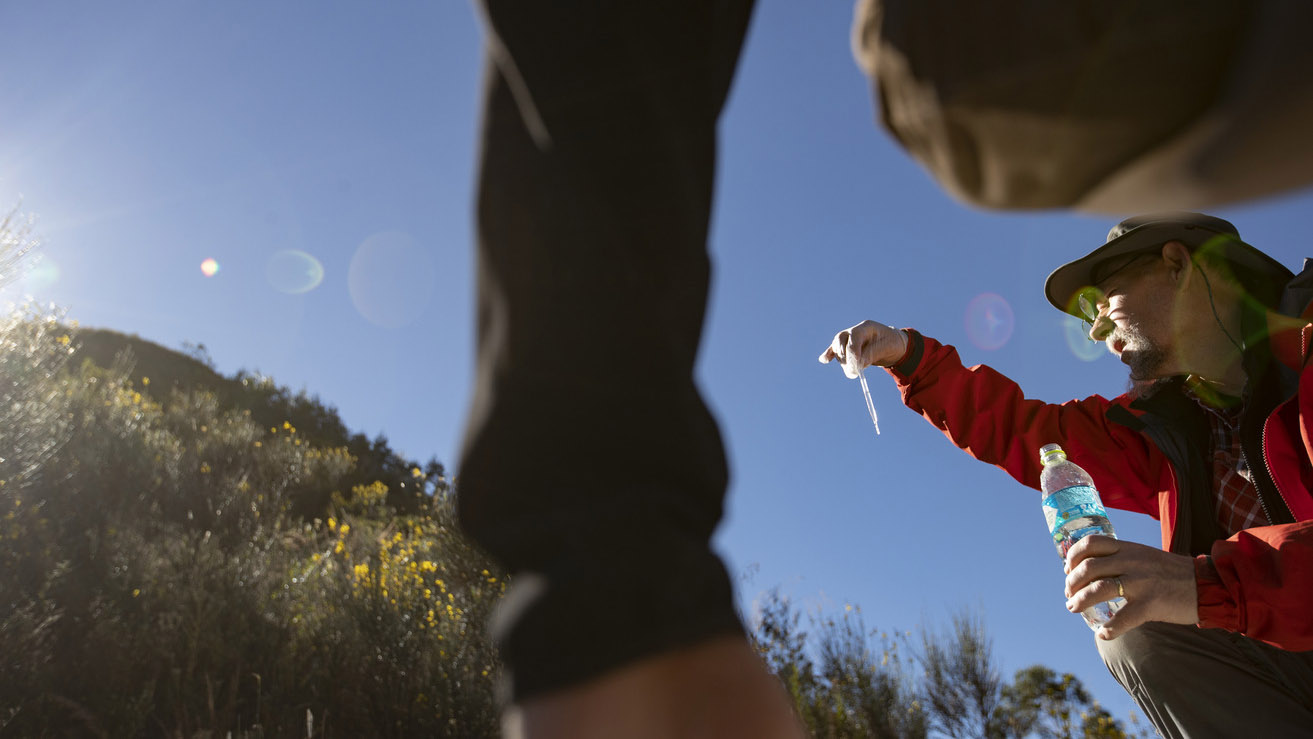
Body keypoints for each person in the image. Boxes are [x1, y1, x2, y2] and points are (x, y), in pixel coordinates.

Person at [821, 212, 1313, 737]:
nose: (1098, 327)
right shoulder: (1168, 430)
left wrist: (1199, 583)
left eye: (1107, 299)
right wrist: (911, 358)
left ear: (1176, 263)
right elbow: (1028, 431)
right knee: (1137, 631)